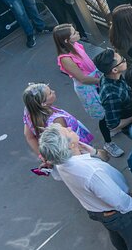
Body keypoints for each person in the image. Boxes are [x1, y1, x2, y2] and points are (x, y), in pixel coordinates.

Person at [53, 24, 124, 158]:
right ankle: (108, 143)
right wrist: (105, 80)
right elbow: (83, 78)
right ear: (67, 40)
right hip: (88, 88)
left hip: (96, 79)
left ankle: (113, 127)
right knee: (103, 115)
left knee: (110, 106)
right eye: (74, 33)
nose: (77, 33)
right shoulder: (65, 59)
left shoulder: (77, 45)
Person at [22, 82, 107, 167]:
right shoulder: (57, 120)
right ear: (43, 104)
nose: (54, 91)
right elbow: (69, 145)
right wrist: (94, 153)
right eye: (50, 93)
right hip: (77, 147)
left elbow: (29, 136)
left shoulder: (29, 112)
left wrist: (43, 156)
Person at [93, 48, 132, 136]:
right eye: (122, 60)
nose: (125, 60)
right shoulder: (111, 95)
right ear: (114, 70)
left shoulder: (110, 76)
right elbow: (113, 125)